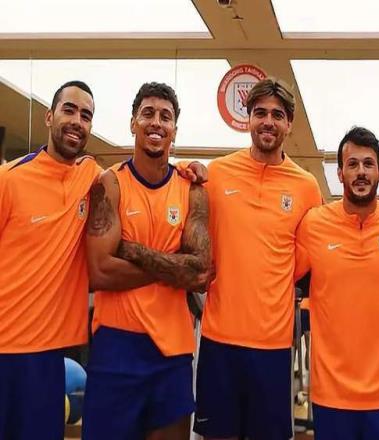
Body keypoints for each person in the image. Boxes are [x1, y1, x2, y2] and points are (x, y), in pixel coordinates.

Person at [193, 78, 322, 440]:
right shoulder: (217, 174)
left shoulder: (306, 187)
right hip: (219, 340)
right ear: (247, 118)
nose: (268, 121)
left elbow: (308, 260)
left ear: (289, 123)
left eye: (277, 115)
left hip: (273, 346)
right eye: (260, 113)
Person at [82, 82, 210, 440]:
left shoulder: (192, 189)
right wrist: (175, 265)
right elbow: (100, 271)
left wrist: (133, 250)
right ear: (132, 123)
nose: (156, 122)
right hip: (116, 345)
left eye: (165, 117)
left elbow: (199, 274)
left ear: (174, 130)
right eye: (148, 114)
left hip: (173, 351)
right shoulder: (110, 184)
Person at [294, 126, 379, 440]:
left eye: (368, 164)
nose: (361, 172)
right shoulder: (313, 225)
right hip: (331, 396)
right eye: (352, 164)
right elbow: (281, 275)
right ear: (340, 173)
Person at [0, 81, 99, 440]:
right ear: (49, 116)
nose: (76, 121)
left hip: (48, 357)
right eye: (68, 110)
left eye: (85, 115)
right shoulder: (9, 179)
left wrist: (190, 169)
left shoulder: (90, 177)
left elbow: (136, 176)